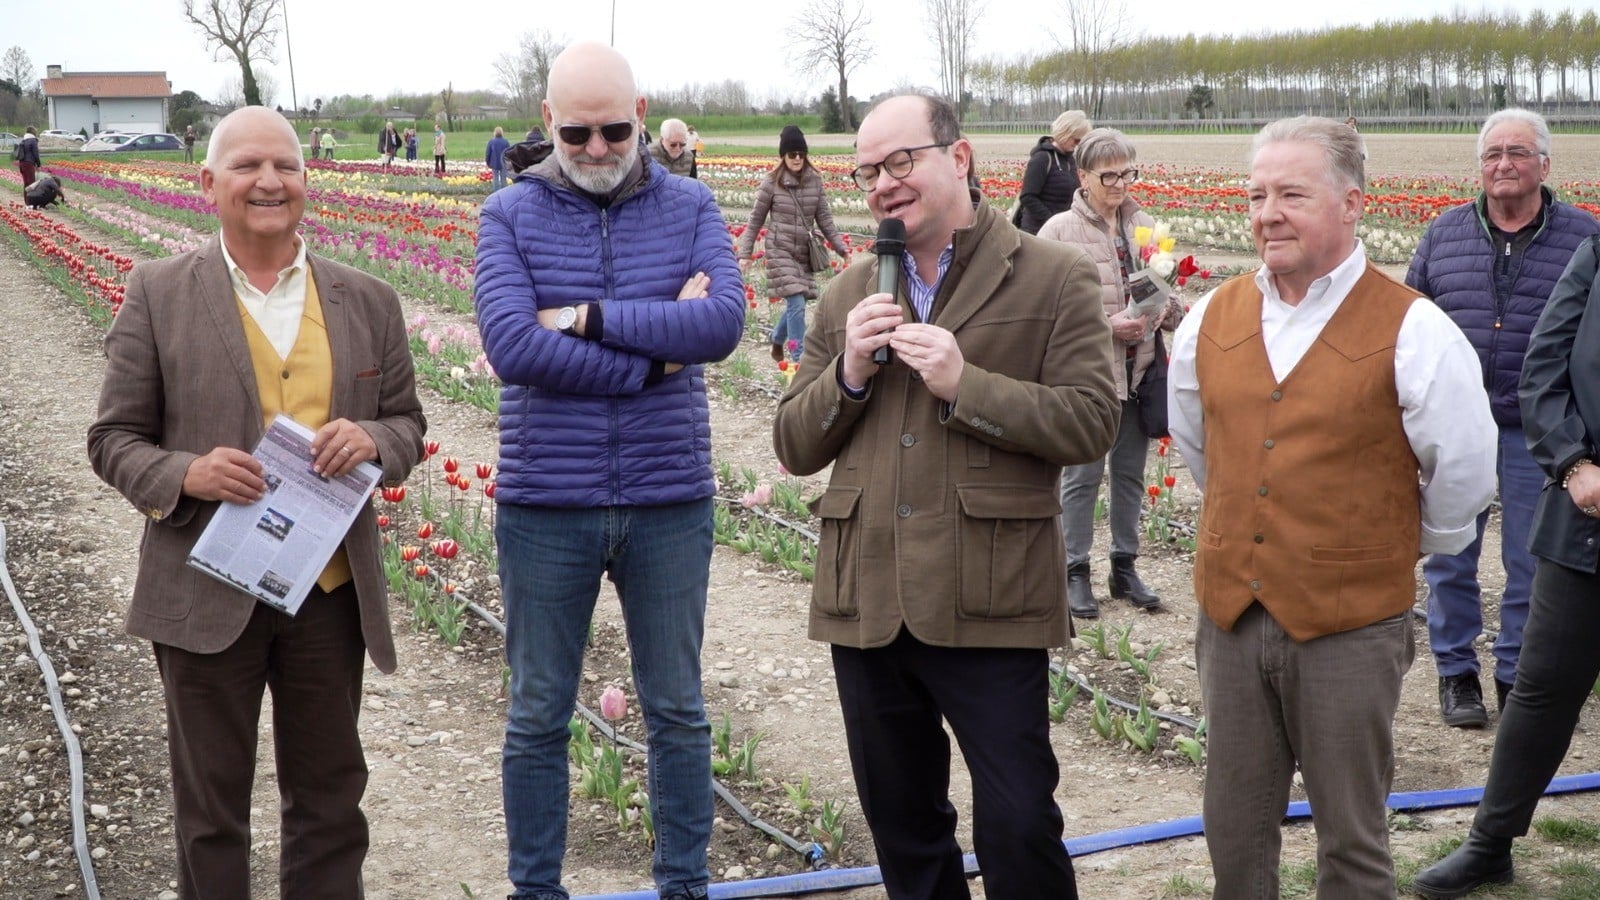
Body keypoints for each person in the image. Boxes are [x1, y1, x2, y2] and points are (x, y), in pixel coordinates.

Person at [773, 91, 1119, 900]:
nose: (883, 184)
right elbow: (793, 443)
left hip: (989, 594)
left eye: (901, 161)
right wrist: (847, 375)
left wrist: (968, 385)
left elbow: (1092, 420)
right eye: (868, 172)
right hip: (868, 598)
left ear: (958, 158)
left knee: (1019, 824)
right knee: (904, 829)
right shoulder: (849, 293)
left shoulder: (1051, 275)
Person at [85, 106, 427, 899]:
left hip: (327, 591)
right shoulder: (159, 293)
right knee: (210, 811)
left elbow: (408, 423)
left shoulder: (368, 300)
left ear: (307, 181)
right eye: (247, 166)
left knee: (330, 801)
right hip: (204, 587)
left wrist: (374, 440)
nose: (269, 181)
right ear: (208, 184)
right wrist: (186, 474)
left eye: (286, 166)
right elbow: (112, 439)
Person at [1167, 116, 1497, 899]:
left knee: (1351, 838)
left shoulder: (1414, 328)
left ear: (1351, 203)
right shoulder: (1210, 318)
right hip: (1231, 619)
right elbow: (1201, 447)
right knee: (1233, 827)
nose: (1267, 214)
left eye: (1291, 194)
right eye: (1256, 196)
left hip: (1349, 628)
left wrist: (1383, 546)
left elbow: (1463, 472)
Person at [473, 41, 745, 900]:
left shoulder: (691, 203)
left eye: (616, 131)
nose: (597, 148)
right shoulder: (508, 215)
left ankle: (684, 885)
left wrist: (583, 318)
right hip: (547, 503)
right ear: (548, 121)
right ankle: (536, 890)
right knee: (537, 711)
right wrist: (658, 355)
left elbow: (723, 323)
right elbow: (514, 347)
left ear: (641, 116)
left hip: (670, 496)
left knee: (677, 709)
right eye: (578, 132)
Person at [1412, 235, 1600, 898]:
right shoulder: (1597, 254)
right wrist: (1575, 463)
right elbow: (1543, 368)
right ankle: (1490, 844)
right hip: (1588, 519)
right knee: (1543, 685)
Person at [1406, 108, 1600, 730]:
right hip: (1456, 426)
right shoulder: (1443, 234)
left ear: (1545, 164)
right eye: (1493, 154)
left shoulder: (1583, 237)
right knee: (1451, 552)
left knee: (1530, 559)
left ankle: (1517, 673)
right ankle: (1456, 670)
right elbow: (1411, 323)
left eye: (1518, 153)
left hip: (1538, 430)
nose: (1504, 165)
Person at [1038, 127, 1182, 618]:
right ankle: (1074, 570)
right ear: (1083, 176)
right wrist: (1107, 326)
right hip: (1089, 378)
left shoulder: (1146, 225)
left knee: (1129, 477)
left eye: (1127, 173)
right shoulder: (1058, 232)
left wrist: (1165, 311)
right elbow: (1041, 311)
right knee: (1081, 477)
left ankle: (1125, 568)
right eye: (1109, 176)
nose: (1120, 184)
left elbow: (1166, 293)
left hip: (1139, 373)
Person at [736, 125, 849, 364]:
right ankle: (799, 357)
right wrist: (745, 253)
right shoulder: (771, 183)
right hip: (780, 250)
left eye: (801, 154)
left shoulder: (815, 182)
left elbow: (825, 219)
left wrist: (841, 247)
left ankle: (777, 338)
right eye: (792, 154)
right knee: (796, 299)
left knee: (798, 302)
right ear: (783, 156)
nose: (797, 158)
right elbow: (755, 220)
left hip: (804, 253)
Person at [1015, 110, 1089, 235]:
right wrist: (1052, 222)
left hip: (1064, 231)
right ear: (1065, 133)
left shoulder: (1071, 160)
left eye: (1080, 141)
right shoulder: (1042, 158)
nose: (1078, 144)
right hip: (1038, 231)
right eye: (1076, 139)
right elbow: (1028, 197)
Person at [14, 126, 40, 201]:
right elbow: (36, 153)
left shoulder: (23, 140)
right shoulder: (33, 140)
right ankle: (32, 202)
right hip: (29, 163)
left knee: (26, 183)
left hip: (21, 164)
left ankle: (27, 201)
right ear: (33, 132)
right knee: (32, 184)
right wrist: (38, 164)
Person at [485, 125, 511, 192]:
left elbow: (488, 153)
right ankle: (504, 192)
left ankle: (496, 192)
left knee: (495, 179)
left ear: (494, 133)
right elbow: (509, 153)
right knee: (503, 179)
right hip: (503, 163)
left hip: (494, 163)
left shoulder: (491, 142)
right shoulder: (506, 142)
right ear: (502, 133)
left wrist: (488, 162)